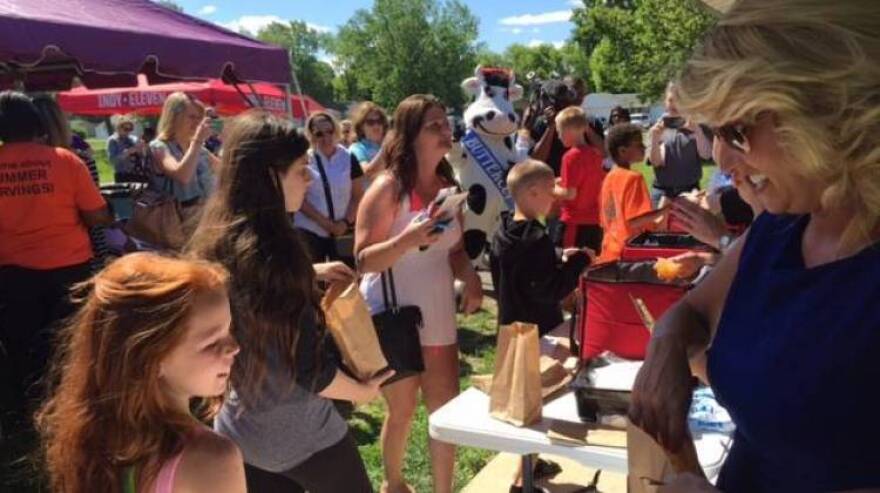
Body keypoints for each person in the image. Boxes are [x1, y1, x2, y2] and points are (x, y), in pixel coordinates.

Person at [628, 2, 880, 491]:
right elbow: (692, 314)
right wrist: (667, 343)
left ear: (829, 110)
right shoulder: (780, 230)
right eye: (713, 132)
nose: (721, 156)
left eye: (737, 131)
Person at [189, 110, 390, 492]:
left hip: (239, 430)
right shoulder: (281, 256)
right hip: (301, 432)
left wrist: (310, 272)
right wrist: (364, 392)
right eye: (301, 169)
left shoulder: (220, 239)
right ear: (270, 177)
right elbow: (310, 370)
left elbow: (245, 288)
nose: (309, 177)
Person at [356, 94, 483, 493]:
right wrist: (408, 240)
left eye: (446, 123)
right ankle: (394, 485)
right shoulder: (388, 188)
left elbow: (456, 250)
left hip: (438, 311)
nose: (446, 131)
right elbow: (362, 260)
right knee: (403, 410)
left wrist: (471, 275)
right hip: (394, 312)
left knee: (444, 410)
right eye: (434, 125)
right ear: (410, 134)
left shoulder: (450, 187)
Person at [35, 253, 246, 493]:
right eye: (212, 342)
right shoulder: (213, 459)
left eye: (228, 329)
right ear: (150, 357)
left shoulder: (91, 438)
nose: (234, 347)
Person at [0, 91, 113, 426]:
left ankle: (31, 408)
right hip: (69, 267)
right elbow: (96, 216)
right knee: (70, 340)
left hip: (12, 271)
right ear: (36, 123)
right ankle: (72, 404)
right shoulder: (65, 160)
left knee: (23, 340)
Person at [491, 158, 591, 335]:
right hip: (537, 331)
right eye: (551, 189)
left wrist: (558, 254)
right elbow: (550, 290)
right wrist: (580, 261)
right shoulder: (535, 239)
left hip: (509, 325)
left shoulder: (503, 232)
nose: (555, 196)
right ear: (534, 192)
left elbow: (523, 267)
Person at [31, 93, 111, 268]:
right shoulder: (80, 160)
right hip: (78, 252)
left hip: (29, 255)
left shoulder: (22, 165)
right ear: (61, 123)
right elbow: (94, 213)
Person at [293, 111, 366, 263]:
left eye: (329, 131)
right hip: (310, 229)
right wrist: (325, 224)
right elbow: (299, 199)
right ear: (311, 135)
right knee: (313, 281)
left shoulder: (349, 158)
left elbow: (358, 195)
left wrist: (345, 223)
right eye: (319, 134)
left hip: (342, 231)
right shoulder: (305, 160)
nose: (326, 138)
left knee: (345, 279)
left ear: (336, 131)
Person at [598, 123, 667, 263]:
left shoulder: (608, 177)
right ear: (622, 151)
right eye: (638, 144)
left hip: (609, 251)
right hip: (629, 253)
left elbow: (608, 218)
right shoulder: (633, 178)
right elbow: (634, 221)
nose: (643, 147)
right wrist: (666, 210)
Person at [149, 92, 220, 227]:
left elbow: (227, 171)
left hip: (203, 220)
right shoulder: (159, 147)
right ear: (174, 117)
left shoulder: (196, 147)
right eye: (192, 117)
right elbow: (183, 176)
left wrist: (227, 137)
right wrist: (198, 141)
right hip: (175, 224)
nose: (197, 123)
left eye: (200, 118)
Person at [646, 83, 713, 206]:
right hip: (662, 193)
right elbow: (656, 162)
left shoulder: (696, 125)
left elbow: (707, 155)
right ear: (665, 103)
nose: (674, 104)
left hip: (691, 191)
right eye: (671, 100)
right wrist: (655, 139)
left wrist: (698, 131)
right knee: (660, 226)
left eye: (679, 100)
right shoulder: (657, 128)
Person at [554, 107, 606, 252]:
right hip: (594, 222)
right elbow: (589, 181)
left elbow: (570, 194)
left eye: (560, 131)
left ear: (570, 130)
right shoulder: (595, 154)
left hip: (574, 221)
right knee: (589, 263)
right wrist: (562, 180)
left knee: (566, 262)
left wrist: (550, 188)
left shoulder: (570, 157)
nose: (559, 136)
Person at [529, 80, 604, 176]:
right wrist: (550, 127)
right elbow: (536, 160)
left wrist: (583, 124)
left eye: (566, 102)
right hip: (553, 182)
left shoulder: (589, 120)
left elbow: (604, 152)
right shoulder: (542, 124)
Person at [349, 101, 390, 180]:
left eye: (379, 121)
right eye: (370, 122)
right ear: (361, 126)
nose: (376, 126)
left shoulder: (391, 145)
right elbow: (367, 172)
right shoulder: (356, 148)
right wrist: (385, 148)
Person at [107, 114, 148, 183]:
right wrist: (127, 152)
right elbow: (112, 161)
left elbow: (142, 157)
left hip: (137, 173)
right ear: (118, 128)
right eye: (126, 129)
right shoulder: (113, 140)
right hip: (122, 175)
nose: (128, 132)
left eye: (130, 129)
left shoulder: (132, 139)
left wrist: (141, 149)